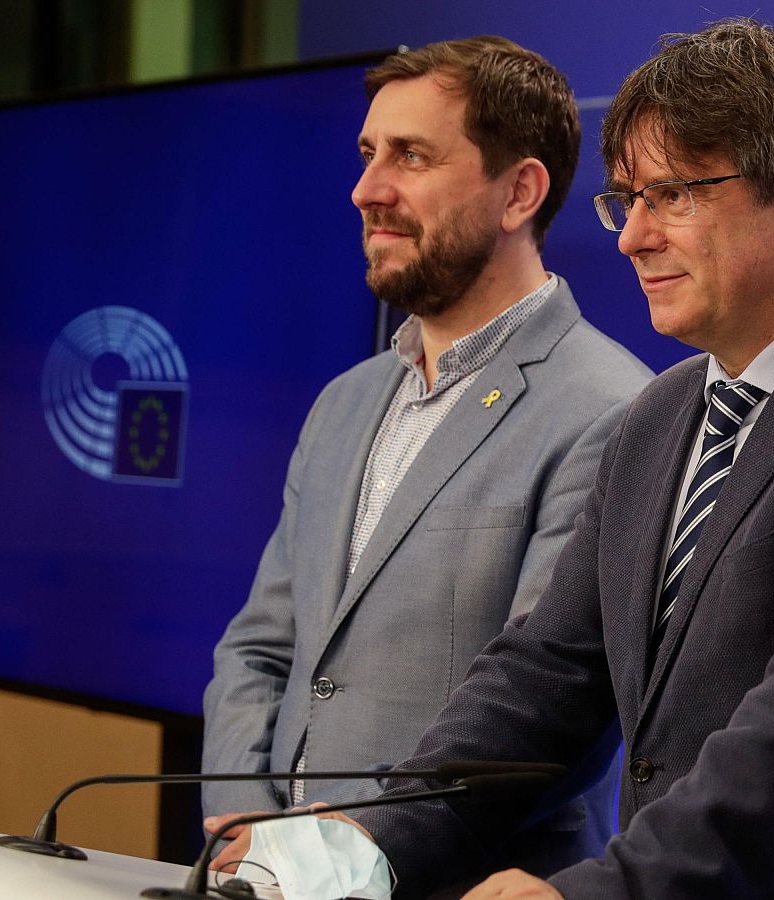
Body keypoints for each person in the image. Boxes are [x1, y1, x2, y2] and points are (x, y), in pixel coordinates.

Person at [214, 18, 774, 899]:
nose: (631, 237)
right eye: (627, 200)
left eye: (673, 195)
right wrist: (364, 843)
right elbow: (545, 678)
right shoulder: (665, 409)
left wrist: (597, 892)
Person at [201, 35, 652, 874]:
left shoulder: (614, 411)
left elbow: (550, 713)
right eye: (370, 154)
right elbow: (260, 648)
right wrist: (248, 826)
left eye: (410, 156)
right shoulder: (345, 402)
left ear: (520, 190)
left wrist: (339, 855)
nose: (366, 189)